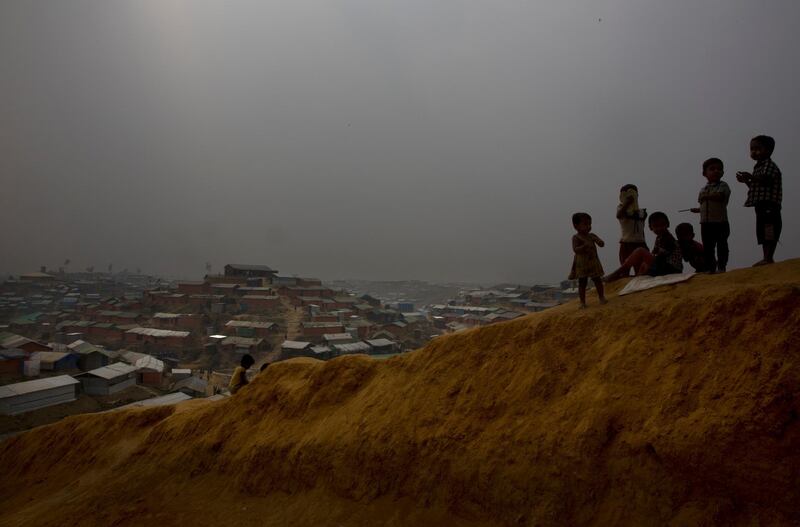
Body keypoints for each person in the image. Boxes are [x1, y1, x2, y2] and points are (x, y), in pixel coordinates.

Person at [735, 135, 782, 266]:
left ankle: (768, 257)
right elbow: (756, 187)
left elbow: (766, 181)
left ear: (768, 150)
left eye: (757, 149)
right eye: (752, 149)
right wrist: (746, 181)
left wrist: (751, 177)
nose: (754, 152)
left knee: (769, 230)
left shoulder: (769, 165)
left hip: (769, 204)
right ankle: (766, 257)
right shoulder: (758, 167)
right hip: (761, 204)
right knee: (762, 231)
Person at [604, 212, 683, 281]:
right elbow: (654, 253)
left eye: (662, 225)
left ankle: (618, 272)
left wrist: (648, 263)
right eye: (656, 226)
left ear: (668, 224)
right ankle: (637, 276)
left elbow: (660, 257)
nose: (659, 228)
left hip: (671, 269)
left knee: (640, 251)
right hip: (664, 267)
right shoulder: (659, 238)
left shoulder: (668, 238)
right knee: (644, 259)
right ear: (650, 227)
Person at [690, 157, 731, 272]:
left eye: (719, 169)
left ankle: (722, 266)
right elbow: (705, 205)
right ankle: (711, 268)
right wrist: (698, 210)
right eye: (712, 169)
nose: (716, 171)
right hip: (706, 223)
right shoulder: (703, 189)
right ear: (704, 173)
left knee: (722, 246)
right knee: (708, 247)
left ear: (723, 172)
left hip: (720, 222)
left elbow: (720, 197)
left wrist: (706, 197)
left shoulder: (723, 185)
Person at [568, 212, 607, 308]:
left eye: (590, 224)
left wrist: (600, 241)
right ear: (576, 226)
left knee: (597, 280)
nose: (589, 226)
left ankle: (601, 297)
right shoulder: (576, 237)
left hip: (593, 262)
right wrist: (584, 246)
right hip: (582, 264)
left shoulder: (591, 236)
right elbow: (575, 249)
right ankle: (582, 302)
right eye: (585, 224)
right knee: (582, 283)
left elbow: (601, 243)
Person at [616, 184, 649, 265]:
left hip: (640, 242)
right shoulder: (621, 209)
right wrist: (627, 203)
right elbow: (619, 215)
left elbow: (641, 228)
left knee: (641, 267)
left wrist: (644, 243)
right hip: (626, 242)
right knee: (625, 266)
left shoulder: (641, 212)